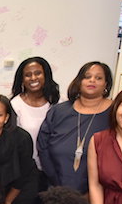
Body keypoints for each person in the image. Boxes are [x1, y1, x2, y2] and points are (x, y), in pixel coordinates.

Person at [37, 61, 113, 194]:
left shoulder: (115, 113)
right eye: (87, 77)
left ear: (106, 84)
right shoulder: (59, 111)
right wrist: (54, 179)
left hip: (98, 192)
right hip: (55, 187)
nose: (92, 80)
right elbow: (43, 146)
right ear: (79, 81)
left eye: (98, 78)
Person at [10, 57, 60, 170]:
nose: (33, 78)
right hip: (25, 169)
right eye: (28, 75)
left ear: (46, 75)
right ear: (22, 79)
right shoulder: (15, 105)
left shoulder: (58, 103)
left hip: (55, 168)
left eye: (38, 73)